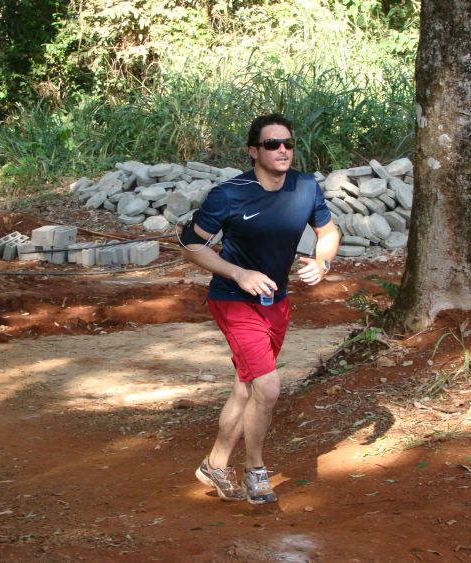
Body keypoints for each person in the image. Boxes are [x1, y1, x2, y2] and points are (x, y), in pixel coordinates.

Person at [180, 113, 340, 505]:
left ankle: (215, 465)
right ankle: (256, 471)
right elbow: (190, 245)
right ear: (254, 151)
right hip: (234, 301)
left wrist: (322, 262)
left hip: (276, 302)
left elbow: (328, 232)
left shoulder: (305, 187)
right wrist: (239, 273)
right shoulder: (229, 195)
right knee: (267, 388)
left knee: (246, 387)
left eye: (288, 143)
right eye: (272, 144)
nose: (282, 150)